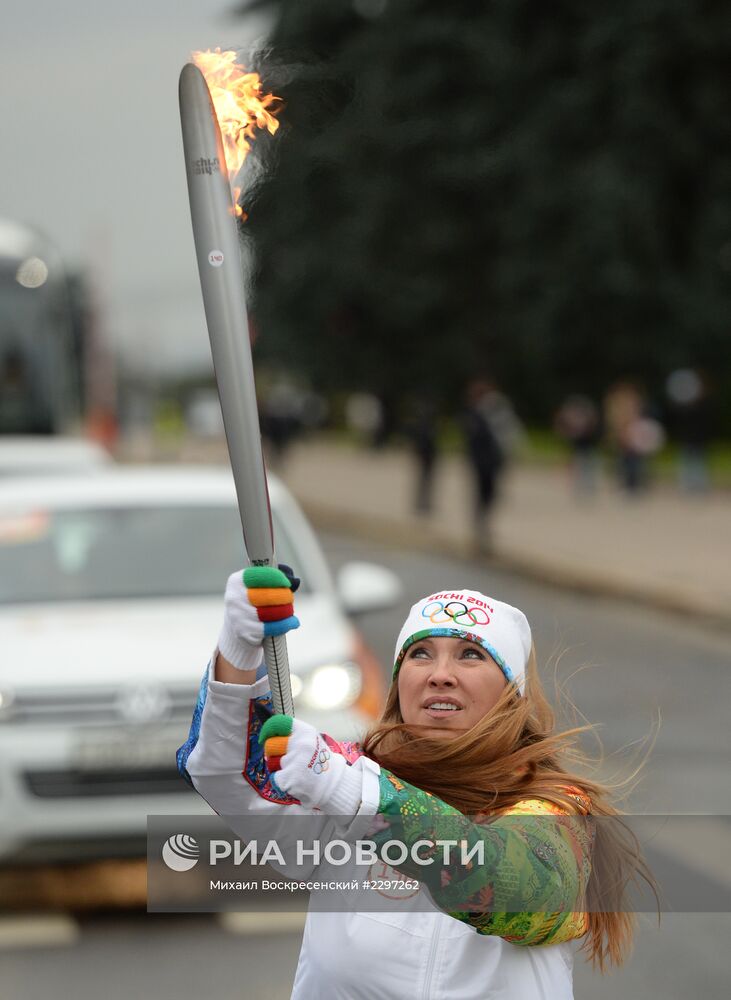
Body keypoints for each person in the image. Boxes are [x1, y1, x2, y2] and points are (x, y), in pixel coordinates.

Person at [178, 567, 653, 999]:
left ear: (512, 695)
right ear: (399, 681)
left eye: (470, 655)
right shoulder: (343, 784)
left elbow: (519, 892)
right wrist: (238, 653)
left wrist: (361, 797)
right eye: (421, 654)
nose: (440, 675)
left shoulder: (556, 809)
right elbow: (228, 775)